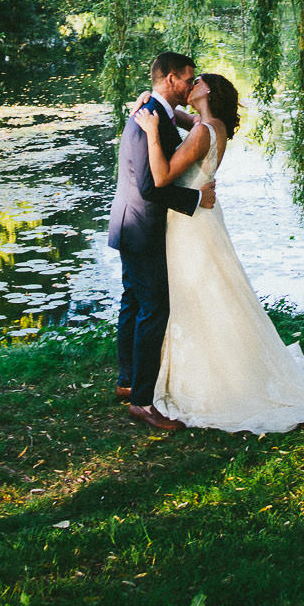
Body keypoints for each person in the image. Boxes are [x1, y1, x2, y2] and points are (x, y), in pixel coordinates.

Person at [132, 71, 304, 433]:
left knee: (199, 292)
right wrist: (156, 104)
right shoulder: (213, 126)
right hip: (202, 219)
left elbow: (161, 177)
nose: (189, 86)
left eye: (196, 82)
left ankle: (214, 377)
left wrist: (148, 131)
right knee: (211, 290)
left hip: (190, 225)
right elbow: (181, 116)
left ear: (207, 91)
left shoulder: (200, 132)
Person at [105, 51, 215, 432]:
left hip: (129, 224)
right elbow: (152, 187)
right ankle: (142, 402)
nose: (191, 85)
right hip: (142, 227)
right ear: (170, 78)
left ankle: (127, 380)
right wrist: (197, 199)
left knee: (133, 302)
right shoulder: (150, 116)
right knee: (153, 311)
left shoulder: (154, 111)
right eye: (188, 79)